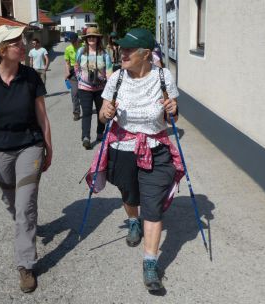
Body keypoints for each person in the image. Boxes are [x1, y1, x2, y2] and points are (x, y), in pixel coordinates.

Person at [97, 28, 183, 292]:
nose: (122, 53)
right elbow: (102, 116)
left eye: (128, 50)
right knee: (129, 194)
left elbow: (173, 117)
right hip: (123, 147)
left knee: (153, 206)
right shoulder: (116, 79)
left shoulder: (162, 76)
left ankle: (150, 263)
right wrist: (106, 112)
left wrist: (173, 110)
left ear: (146, 54)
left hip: (156, 148)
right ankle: (133, 220)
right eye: (121, 49)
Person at [0, 24, 52, 293]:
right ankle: (25, 223)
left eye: (23, 41)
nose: (24, 45)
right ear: (2, 50)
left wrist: (48, 146)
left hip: (29, 145)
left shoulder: (31, 77)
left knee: (25, 205)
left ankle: (25, 264)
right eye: (17, 42)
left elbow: (42, 115)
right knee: (12, 201)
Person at [74, 27, 112, 149]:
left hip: (101, 88)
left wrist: (109, 84)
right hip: (84, 88)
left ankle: (100, 133)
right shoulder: (81, 51)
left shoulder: (104, 53)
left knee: (102, 112)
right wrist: (80, 77)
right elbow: (76, 66)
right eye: (89, 37)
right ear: (86, 39)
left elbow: (109, 70)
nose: (91, 38)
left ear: (97, 39)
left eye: (93, 37)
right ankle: (86, 137)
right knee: (87, 113)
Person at [64, 32, 82, 121]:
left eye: (74, 41)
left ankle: (86, 109)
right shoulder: (68, 49)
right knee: (74, 93)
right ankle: (76, 113)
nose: (72, 43)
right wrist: (67, 73)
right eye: (71, 41)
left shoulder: (83, 46)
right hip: (73, 73)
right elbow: (67, 63)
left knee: (83, 93)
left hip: (84, 71)